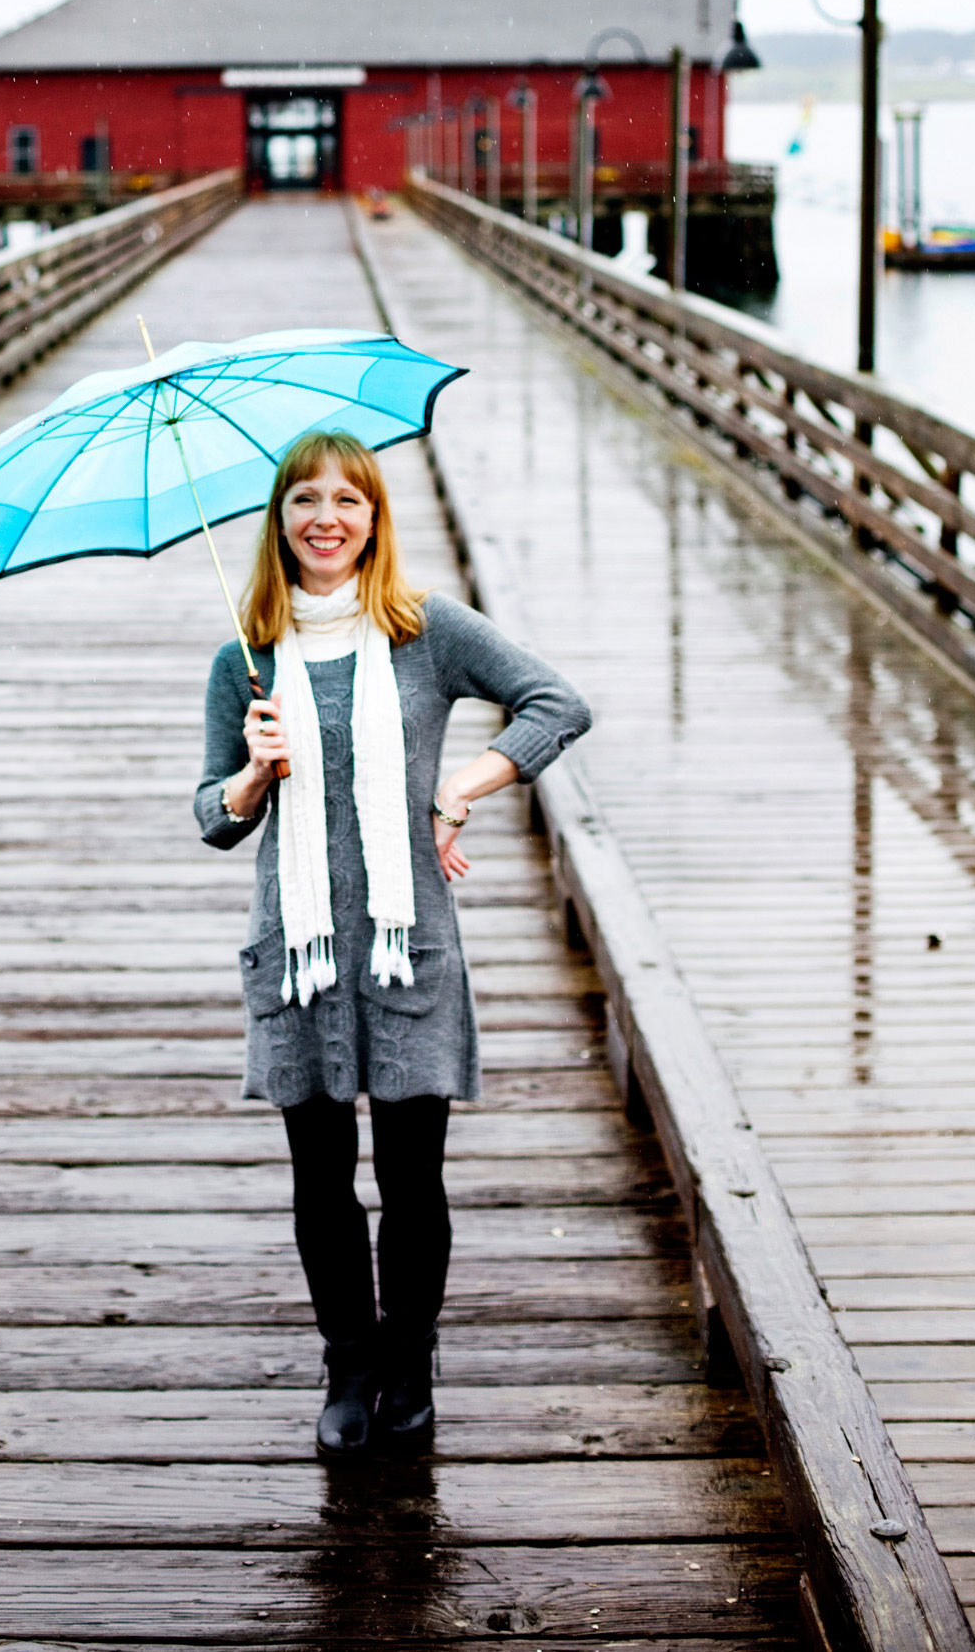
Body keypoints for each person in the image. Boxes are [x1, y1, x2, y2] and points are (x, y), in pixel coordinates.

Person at [194, 429, 591, 1460]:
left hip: (409, 946)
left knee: (414, 1182)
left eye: (349, 501)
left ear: (375, 519)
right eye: (304, 502)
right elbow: (213, 815)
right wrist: (251, 773)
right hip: (299, 952)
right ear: (278, 521)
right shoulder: (245, 657)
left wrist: (464, 783)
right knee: (320, 1179)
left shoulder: (428, 631)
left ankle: (410, 1362)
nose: (327, 519)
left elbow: (557, 704)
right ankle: (350, 1364)